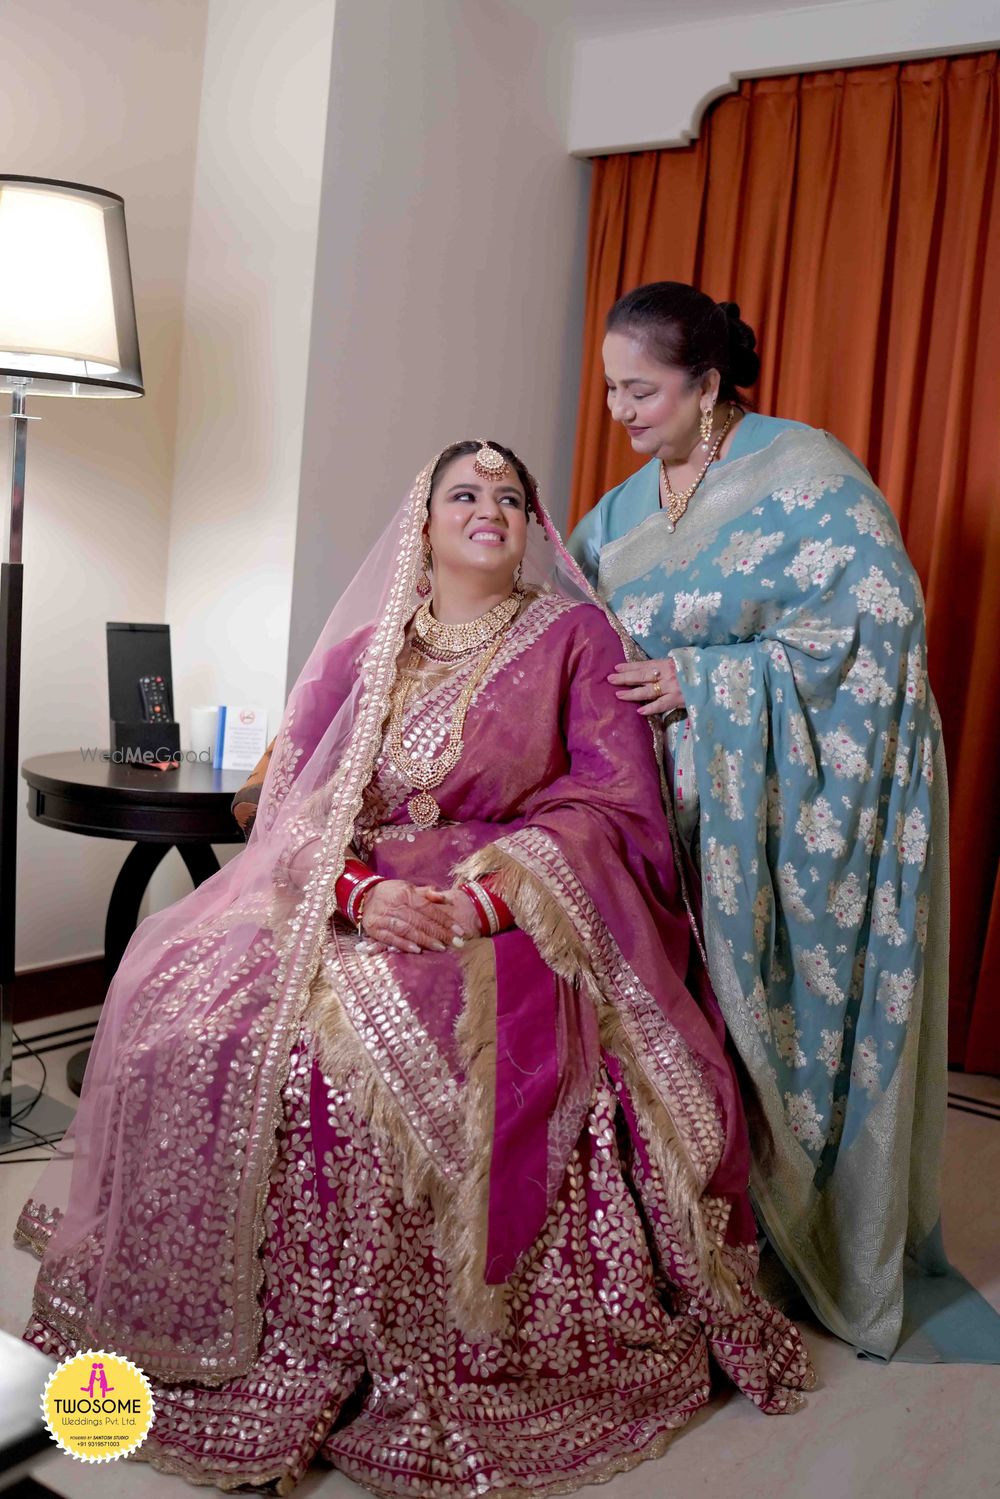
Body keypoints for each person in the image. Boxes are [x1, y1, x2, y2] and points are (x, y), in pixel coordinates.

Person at [15, 440, 812, 1497]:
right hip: (360, 896)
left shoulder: (574, 635)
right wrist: (360, 895)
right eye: (464, 492)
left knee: (359, 1067)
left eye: (510, 496)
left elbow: (613, 805)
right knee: (186, 1018)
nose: (491, 507)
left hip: (511, 912)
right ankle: (217, 1307)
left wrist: (486, 896)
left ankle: (417, 1334)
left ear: (532, 525)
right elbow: (295, 802)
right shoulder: (367, 652)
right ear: (422, 521)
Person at [569, 280, 1000, 1364]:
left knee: (768, 1038)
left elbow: (877, 637)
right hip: (652, 819)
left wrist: (703, 687)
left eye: (644, 389)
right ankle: (670, 1259)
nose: (623, 410)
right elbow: (569, 630)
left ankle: (789, 1246)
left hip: (780, 816)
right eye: (612, 389)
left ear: (709, 384)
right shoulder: (618, 513)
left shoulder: (809, 476)